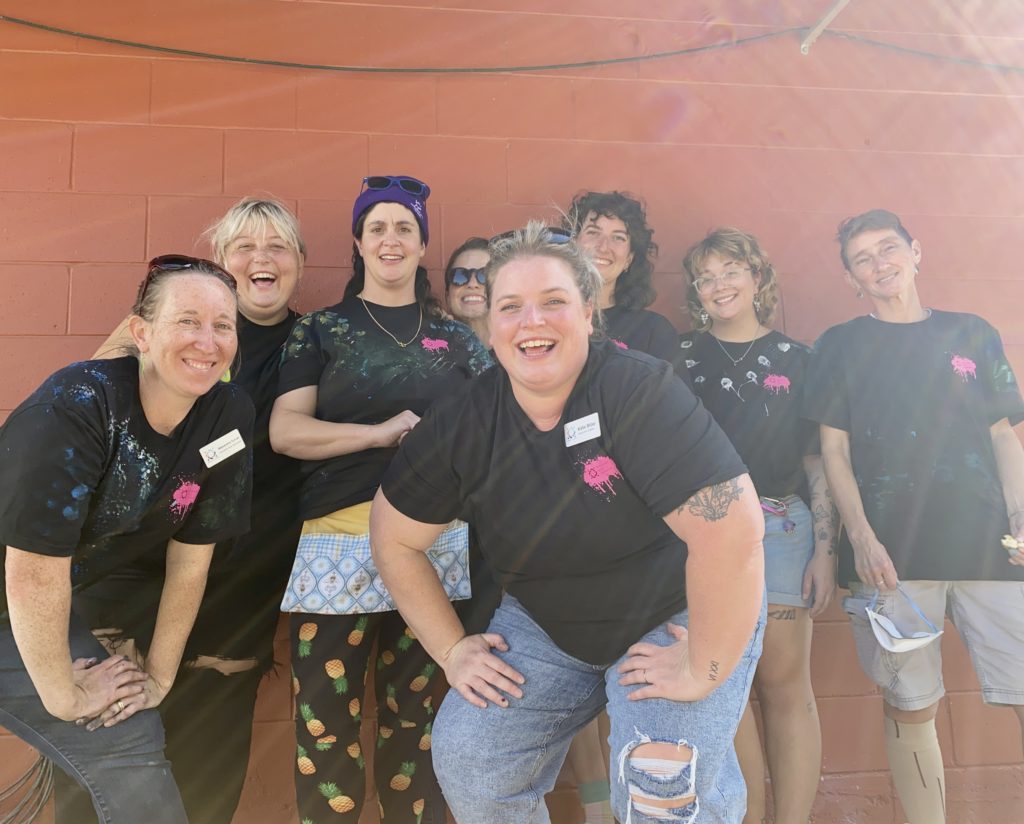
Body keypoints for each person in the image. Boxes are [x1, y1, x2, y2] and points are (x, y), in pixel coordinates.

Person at [370, 222, 766, 824]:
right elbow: (394, 537)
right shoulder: (465, 420)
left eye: (553, 302)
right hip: (548, 624)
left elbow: (731, 533)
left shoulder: (638, 390)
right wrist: (451, 650)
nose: (532, 321)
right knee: (472, 757)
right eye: (511, 307)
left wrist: (704, 666)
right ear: (491, 324)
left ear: (588, 313)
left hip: (676, 611)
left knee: (661, 785)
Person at [0, 256, 253, 824]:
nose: (207, 341)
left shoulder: (227, 417)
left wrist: (158, 678)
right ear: (141, 332)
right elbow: (33, 569)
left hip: (23, 614)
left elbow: (191, 561)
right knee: (99, 720)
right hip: (22, 592)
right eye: (187, 320)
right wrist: (63, 693)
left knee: (124, 721)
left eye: (223, 325)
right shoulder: (77, 407)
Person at [270, 175, 492, 824]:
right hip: (336, 543)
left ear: (423, 245)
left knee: (418, 728)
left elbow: (497, 431)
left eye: (404, 228)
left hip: (433, 548)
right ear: (358, 244)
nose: (390, 239)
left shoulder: (457, 340)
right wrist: (379, 433)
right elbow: (286, 431)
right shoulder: (321, 332)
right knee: (324, 731)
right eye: (377, 228)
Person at [81, 197, 307, 824]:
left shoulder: (317, 339)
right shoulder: (181, 325)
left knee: (211, 734)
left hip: (247, 566)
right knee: (114, 721)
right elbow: (87, 397)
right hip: (145, 557)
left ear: (299, 263)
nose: (261, 259)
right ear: (220, 263)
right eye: (244, 246)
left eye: (278, 246)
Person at [802, 209, 1024, 824]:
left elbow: (1004, 435)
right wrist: (863, 541)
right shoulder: (839, 345)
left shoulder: (972, 332)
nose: (880, 264)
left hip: (990, 549)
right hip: (892, 561)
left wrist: (1022, 516)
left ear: (916, 252)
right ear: (851, 277)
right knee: (910, 704)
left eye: (889, 248)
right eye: (863, 258)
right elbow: (833, 452)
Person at [680, 227, 837, 824]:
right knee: (725, 690)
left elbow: (817, 462)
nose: (720, 284)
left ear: (756, 278)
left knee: (785, 685)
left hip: (781, 528)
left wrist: (827, 550)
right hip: (700, 532)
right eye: (707, 276)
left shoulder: (801, 360)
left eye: (731, 271)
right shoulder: (681, 355)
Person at [567, 190, 689, 386]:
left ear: (629, 259)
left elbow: (677, 409)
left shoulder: (654, 331)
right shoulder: (547, 319)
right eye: (593, 232)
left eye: (618, 237)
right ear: (573, 244)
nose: (603, 246)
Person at [444, 236, 491, 347]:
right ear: (447, 296)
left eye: (484, 275)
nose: (472, 284)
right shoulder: (431, 354)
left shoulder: (523, 352)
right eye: (459, 275)